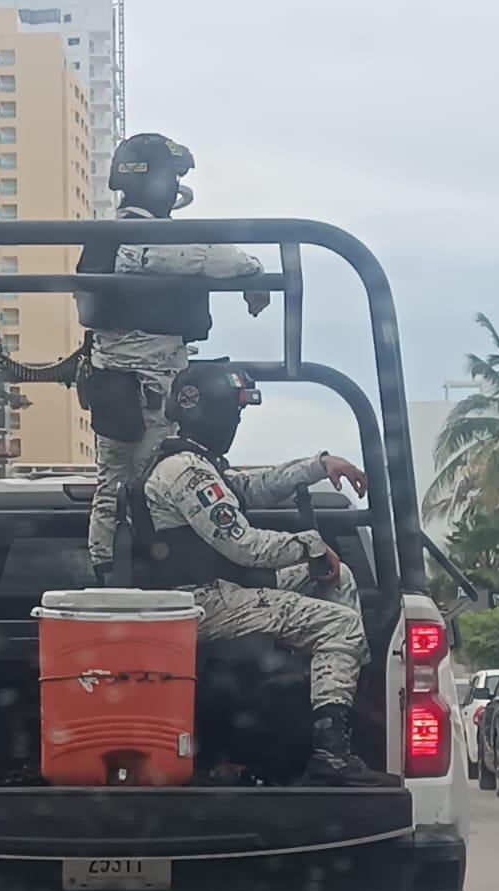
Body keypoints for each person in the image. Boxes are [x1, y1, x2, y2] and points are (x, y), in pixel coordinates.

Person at [141, 362, 399, 788]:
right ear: (205, 410)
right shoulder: (186, 472)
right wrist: (310, 546)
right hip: (197, 602)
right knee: (342, 622)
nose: (236, 424)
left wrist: (319, 465)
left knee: (340, 579)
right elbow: (243, 545)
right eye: (233, 414)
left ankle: (331, 688)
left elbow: (253, 488)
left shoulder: (198, 464)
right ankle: (329, 751)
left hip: (209, 594)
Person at [77, 133, 270, 578]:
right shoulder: (145, 240)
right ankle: (151, 576)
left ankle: (106, 571)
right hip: (152, 383)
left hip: (113, 383)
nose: (176, 186)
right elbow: (208, 257)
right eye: (173, 177)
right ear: (158, 183)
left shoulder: (106, 236)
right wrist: (254, 271)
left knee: (113, 483)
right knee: (160, 480)